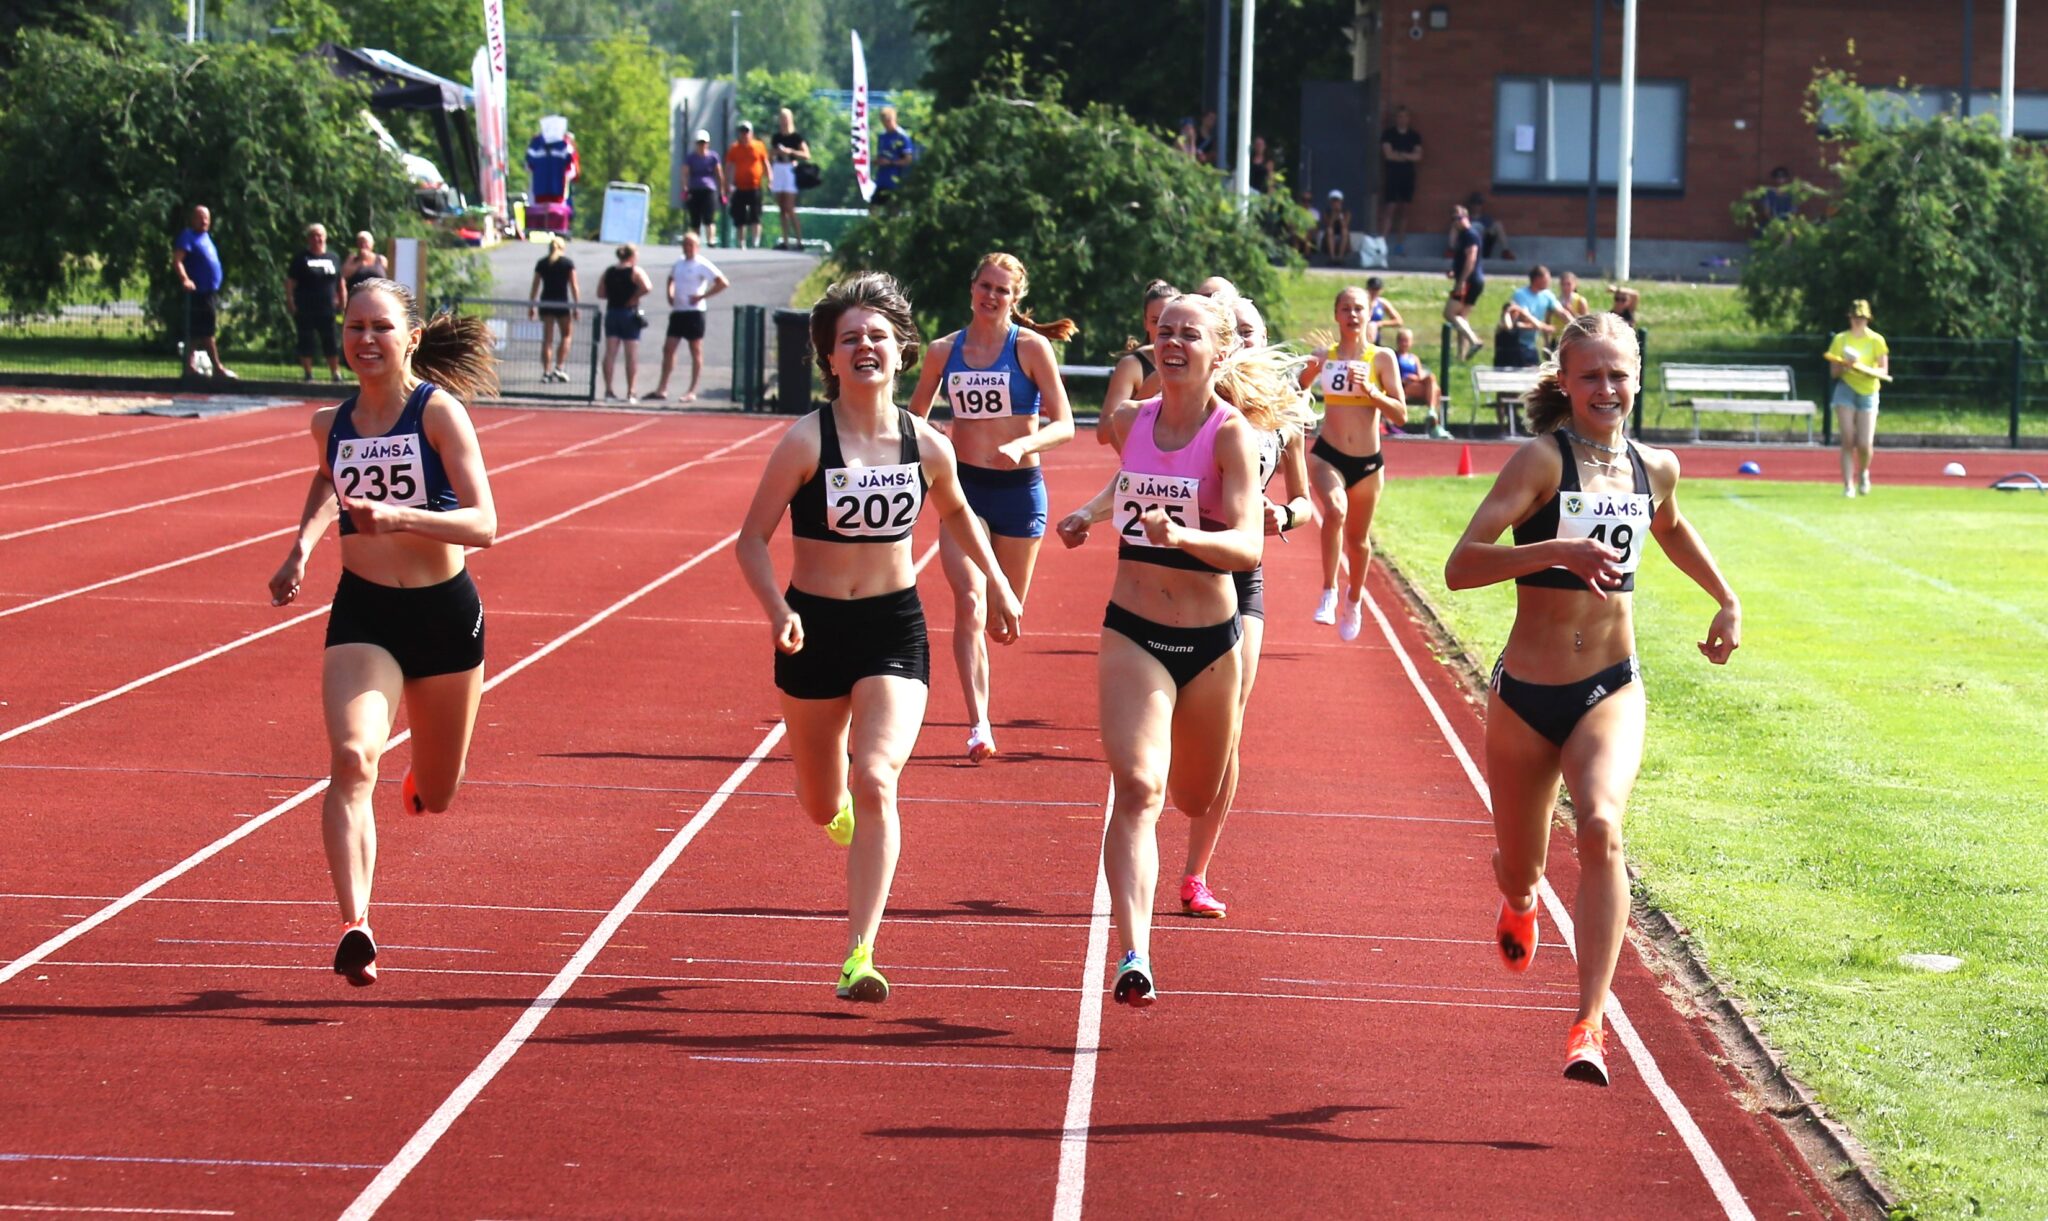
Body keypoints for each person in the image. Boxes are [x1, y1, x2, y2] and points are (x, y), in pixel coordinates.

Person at [1444, 311, 1740, 1086]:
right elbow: (1462, 565)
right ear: (1566, 382)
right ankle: (1518, 897)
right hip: (1525, 696)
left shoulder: (1656, 466)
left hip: (1610, 685)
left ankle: (1589, 1024)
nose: (1606, 388)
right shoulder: (1542, 461)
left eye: (1618, 374)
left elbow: (1670, 528)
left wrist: (1726, 597)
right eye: (1591, 376)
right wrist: (1556, 551)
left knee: (1603, 825)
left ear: (1637, 378)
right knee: (1521, 866)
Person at [736, 272, 1021, 1002]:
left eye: (878, 337)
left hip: (893, 627)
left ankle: (859, 952)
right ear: (830, 358)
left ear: (901, 352)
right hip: (812, 629)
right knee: (820, 798)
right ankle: (834, 810)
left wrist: (996, 583)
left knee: (877, 777)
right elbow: (751, 540)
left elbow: (958, 516)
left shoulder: (927, 444)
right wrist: (777, 609)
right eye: (850, 339)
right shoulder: (806, 440)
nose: (865, 347)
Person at [1053, 291, 1304, 1006]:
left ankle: (1187, 868)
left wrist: (1183, 535)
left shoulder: (1232, 436)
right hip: (1133, 628)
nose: (1172, 342)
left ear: (1219, 351)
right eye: (1165, 331)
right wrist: (1089, 513)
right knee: (1139, 788)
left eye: (1189, 334)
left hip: (1211, 640)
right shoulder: (1130, 421)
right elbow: (1131, 480)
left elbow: (1249, 546)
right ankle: (1134, 953)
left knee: (1194, 795)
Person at [266, 277, 501, 988]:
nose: (365, 340)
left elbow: (485, 524)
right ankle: (356, 924)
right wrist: (302, 548)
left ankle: (423, 780)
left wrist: (399, 518)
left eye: (381, 327)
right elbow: (327, 480)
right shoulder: (329, 424)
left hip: (444, 617)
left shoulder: (439, 413)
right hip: (364, 614)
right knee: (350, 758)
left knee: (440, 790)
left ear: (411, 337)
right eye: (355, 327)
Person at [908, 253, 1077, 763]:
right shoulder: (943, 351)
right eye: (985, 286)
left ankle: (1001, 614)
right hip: (965, 490)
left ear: (1015, 298)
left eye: (1002, 290)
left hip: (1020, 491)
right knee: (970, 601)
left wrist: (1024, 445)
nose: (991, 296)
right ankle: (978, 724)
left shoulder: (1031, 348)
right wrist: (936, 436)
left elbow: (1065, 424)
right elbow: (913, 418)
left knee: (1003, 622)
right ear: (972, 288)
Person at [1179, 295, 1313, 918]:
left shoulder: (1285, 412)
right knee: (1175, 728)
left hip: (1242, 576)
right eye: (1233, 329)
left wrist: (1282, 513)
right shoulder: (1186, 399)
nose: (1245, 338)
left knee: (1229, 724)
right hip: (1177, 573)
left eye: (1252, 328)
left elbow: (1305, 503)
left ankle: (1196, 872)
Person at [1300, 286, 1407, 640]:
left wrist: (1372, 392)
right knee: (1334, 511)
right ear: (1336, 315)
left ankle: (1354, 599)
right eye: (1345, 309)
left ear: (1369, 313)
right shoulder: (1324, 358)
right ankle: (1328, 591)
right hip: (1328, 455)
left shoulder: (1382, 359)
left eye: (1359, 308)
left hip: (1367, 464)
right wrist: (1302, 396)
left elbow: (1401, 414)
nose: (1352, 315)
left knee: (1358, 540)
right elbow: (1298, 387)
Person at [1097, 279, 1179, 444]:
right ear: (1145, 323)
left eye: (1170, 320)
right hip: (1146, 458)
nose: (1164, 328)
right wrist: (1151, 387)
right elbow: (1104, 433)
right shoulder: (1133, 365)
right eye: (1156, 321)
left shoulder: (1201, 365)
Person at [654, 232, 729, 403]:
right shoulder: (679, 263)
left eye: (690, 244)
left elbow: (722, 282)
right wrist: (670, 294)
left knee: (695, 349)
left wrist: (702, 296)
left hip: (694, 312)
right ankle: (662, 387)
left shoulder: (702, 264)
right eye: (685, 244)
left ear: (697, 247)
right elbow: (670, 279)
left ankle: (692, 390)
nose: (687, 248)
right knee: (668, 348)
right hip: (678, 311)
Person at [1824, 299, 1889, 498]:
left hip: (1868, 391)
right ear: (1850, 318)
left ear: (1867, 319)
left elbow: (1883, 370)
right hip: (1846, 389)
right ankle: (1848, 485)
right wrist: (1846, 366)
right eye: (1855, 317)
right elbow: (1834, 372)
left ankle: (1863, 472)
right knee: (1847, 439)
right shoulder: (1841, 340)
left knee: (1864, 443)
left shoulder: (1876, 340)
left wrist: (1867, 370)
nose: (1858, 321)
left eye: (1861, 317)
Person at [173, 204, 234, 380]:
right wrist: (185, 279)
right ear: (193, 219)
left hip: (209, 291)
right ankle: (217, 367)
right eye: (200, 217)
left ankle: (189, 367)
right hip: (199, 291)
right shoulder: (188, 236)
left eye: (206, 218)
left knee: (196, 332)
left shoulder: (206, 237)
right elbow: (177, 261)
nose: (204, 221)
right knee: (207, 332)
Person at [286, 223, 347, 384]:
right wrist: (290, 301)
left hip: (328, 308)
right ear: (308, 239)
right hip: (305, 307)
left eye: (319, 235)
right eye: (313, 235)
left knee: (330, 341)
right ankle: (308, 373)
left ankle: (335, 373)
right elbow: (290, 282)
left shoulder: (333, 258)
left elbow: (340, 283)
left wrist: (343, 302)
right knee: (306, 340)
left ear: (325, 237)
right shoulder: (301, 258)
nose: (316, 238)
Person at [597, 245, 652, 402]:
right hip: (629, 313)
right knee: (631, 354)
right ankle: (631, 391)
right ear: (632, 256)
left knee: (610, 353)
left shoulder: (609, 271)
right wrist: (634, 297)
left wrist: (614, 294)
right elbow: (647, 287)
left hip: (613, 312)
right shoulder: (635, 271)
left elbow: (600, 293)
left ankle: (608, 391)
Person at [527, 237, 581, 384]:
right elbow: (574, 286)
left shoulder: (542, 263)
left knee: (547, 340)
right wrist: (576, 306)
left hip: (546, 303)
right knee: (566, 335)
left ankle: (546, 371)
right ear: (563, 248)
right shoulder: (568, 263)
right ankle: (559, 367)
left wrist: (531, 306)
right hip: (562, 304)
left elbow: (535, 286)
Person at [1500, 266, 1568, 368]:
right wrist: (1544, 327)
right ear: (1537, 279)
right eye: (1547, 279)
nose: (1550, 281)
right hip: (1515, 343)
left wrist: (1576, 324)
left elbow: (1562, 312)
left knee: (1534, 371)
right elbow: (1525, 317)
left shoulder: (1547, 295)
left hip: (1531, 344)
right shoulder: (1521, 295)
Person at [1378, 106, 1423, 254]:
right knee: (1390, 209)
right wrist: (1407, 156)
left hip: (1408, 176)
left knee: (1404, 210)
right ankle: (1381, 244)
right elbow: (1388, 155)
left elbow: (1418, 156)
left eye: (1405, 116)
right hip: (1392, 175)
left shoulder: (1414, 136)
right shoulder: (1388, 134)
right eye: (1399, 116)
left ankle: (1400, 244)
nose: (1402, 119)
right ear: (1396, 118)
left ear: (1408, 119)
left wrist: (1401, 154)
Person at [1394, 327, 1453, 439]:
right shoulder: (1394, 357)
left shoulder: (1414, 358)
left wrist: (1415, 378)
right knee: (1436, 391)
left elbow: (1420, 375)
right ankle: (1435, 425)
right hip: (1404, 387)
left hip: (1417, 385)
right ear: (1398, 341)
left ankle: (1432, 414)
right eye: (1402, 340)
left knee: (1431, 380)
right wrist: (1405, 379)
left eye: (1407, 340)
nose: (1404, 343)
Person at [1445, 202, 1486, 359]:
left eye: (1458, 218)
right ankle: (1461, 356)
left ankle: (1474, 341)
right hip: (1472, 280)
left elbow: (1471, 259)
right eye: (1452, 219)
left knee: (1449, 313)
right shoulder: (1462, 236)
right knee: (1461, 317)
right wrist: (1454, 272)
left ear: (1465, 217)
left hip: (1469, 281)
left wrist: (1462, 281)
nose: (1455, 222)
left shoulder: (1470, 235)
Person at [768, 108, 810, 251]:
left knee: (789, 207)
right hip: (778, 168)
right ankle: (785, 240)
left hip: (790, 169)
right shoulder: (776, 137)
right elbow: (770, 154)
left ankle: (799, 240)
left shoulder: (796, 137)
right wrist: (777, 152)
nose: (784, 122)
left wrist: (790, 151)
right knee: (781, 208)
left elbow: (806, 154)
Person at [726, 121, 769, 249]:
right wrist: (727, 183)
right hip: (740, 187)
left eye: (747, 132)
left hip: (755, 186)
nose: (744, 135)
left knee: (755, 214)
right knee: (740, 216)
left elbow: (765, 163)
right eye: (742, 132)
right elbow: (729, 166)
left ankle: (756, 241)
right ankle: (741, 242)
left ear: (751, 133)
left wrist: (770, 179)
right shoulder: (734, 148)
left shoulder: (759, 146)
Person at [684, 129, 726, 247]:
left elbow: (719, 174)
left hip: (709, 190)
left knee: (709, 217)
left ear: (707, 143)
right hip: (694, 189)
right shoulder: (691, 158)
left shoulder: (713, 157)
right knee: (695, 219)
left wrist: (722, 191)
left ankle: (710, 240)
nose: (701, 145)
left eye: (703, 143)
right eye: (699, 143)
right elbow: (685, 173)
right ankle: (695, 242)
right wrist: (685, 188)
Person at [872, 106, 915, 207]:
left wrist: (890, 162)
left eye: (888, 121)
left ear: (894, 119)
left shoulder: (902, 136)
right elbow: (881, 155)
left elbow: (908, 160)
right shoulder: (882, 137)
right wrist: (876, 161)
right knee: (873, 207)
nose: (886, 124)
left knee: (893, 208)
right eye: (884, 122)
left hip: (896, 180)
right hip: (882, 180)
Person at [1465, 192, 1517, 261]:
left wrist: (1484, 232)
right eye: (1475, 204)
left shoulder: (1485, 218)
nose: (1477, 206)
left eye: (1479, 204)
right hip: (1469, 247)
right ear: (1471, 205)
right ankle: (1452, 251)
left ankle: (1506, 251)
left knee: (1498, 225)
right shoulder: (1466, 218)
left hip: (1484, 245)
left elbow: (1490, 231)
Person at [1362, 275, 1404, 346]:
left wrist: (1379, 323)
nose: (1374, 292)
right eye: (1372, 289)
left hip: (1376, 338)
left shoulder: (1382, 303)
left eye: (1377, 289)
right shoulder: (1361, 301)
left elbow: (1399, 321)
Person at [1319, 189, 1352, 265]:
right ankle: (1332, 257)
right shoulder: (1326, 212)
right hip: (1329, 237)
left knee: (1344, 231)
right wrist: (1333, 216)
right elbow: (1328, 225)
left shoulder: (1346, 212)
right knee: (1330, 230)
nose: (1335, 203)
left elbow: (1345, 225)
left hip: (1342, 237)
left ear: (1341, 202)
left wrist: (1340, 215)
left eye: (1337, 201)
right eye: (1334, 201)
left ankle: (1340, 257)